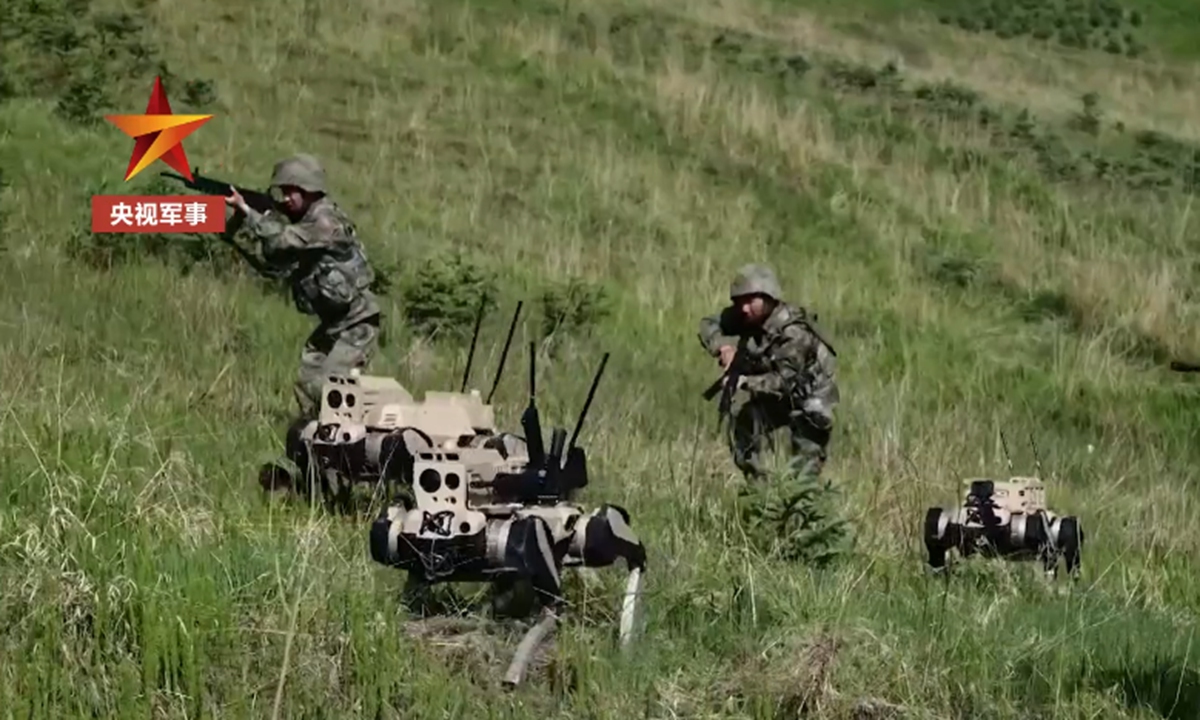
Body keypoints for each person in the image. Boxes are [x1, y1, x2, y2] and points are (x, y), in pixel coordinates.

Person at [224, 153, 381, 418]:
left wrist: (248, 211)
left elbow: (284, 239)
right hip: (334, 323)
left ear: (309, 190)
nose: (286, 198)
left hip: (357, 323)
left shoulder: (324, 222)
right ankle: (312, 437)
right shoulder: (304, 220)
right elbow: (273, 257)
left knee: (333, 387)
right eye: (282, 192)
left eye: (292, 192)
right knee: (308, 380)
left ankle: (364, 429)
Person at [697, 263, 838, 480]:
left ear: (768, 297)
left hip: (809, 397)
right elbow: (708, 324)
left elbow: (784, 382)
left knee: (805, 471)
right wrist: (722, 347)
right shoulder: (747, 317)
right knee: (744, 423)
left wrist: (744, 381)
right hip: (777, 391)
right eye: (739, 301)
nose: (743, 308)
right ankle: (760, 492)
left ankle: (802, 505)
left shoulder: (793, 332)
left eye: (750, 300)